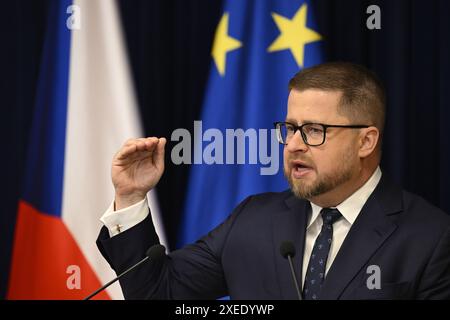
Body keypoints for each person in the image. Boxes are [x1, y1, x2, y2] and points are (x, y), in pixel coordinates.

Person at [97, 62, 450, 299]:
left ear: (366, 141)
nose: (294, 144)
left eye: (314, 130)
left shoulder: (431, 237)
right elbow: (159, 293)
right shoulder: (252, 219)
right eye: (290, 128)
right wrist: (130, 196)